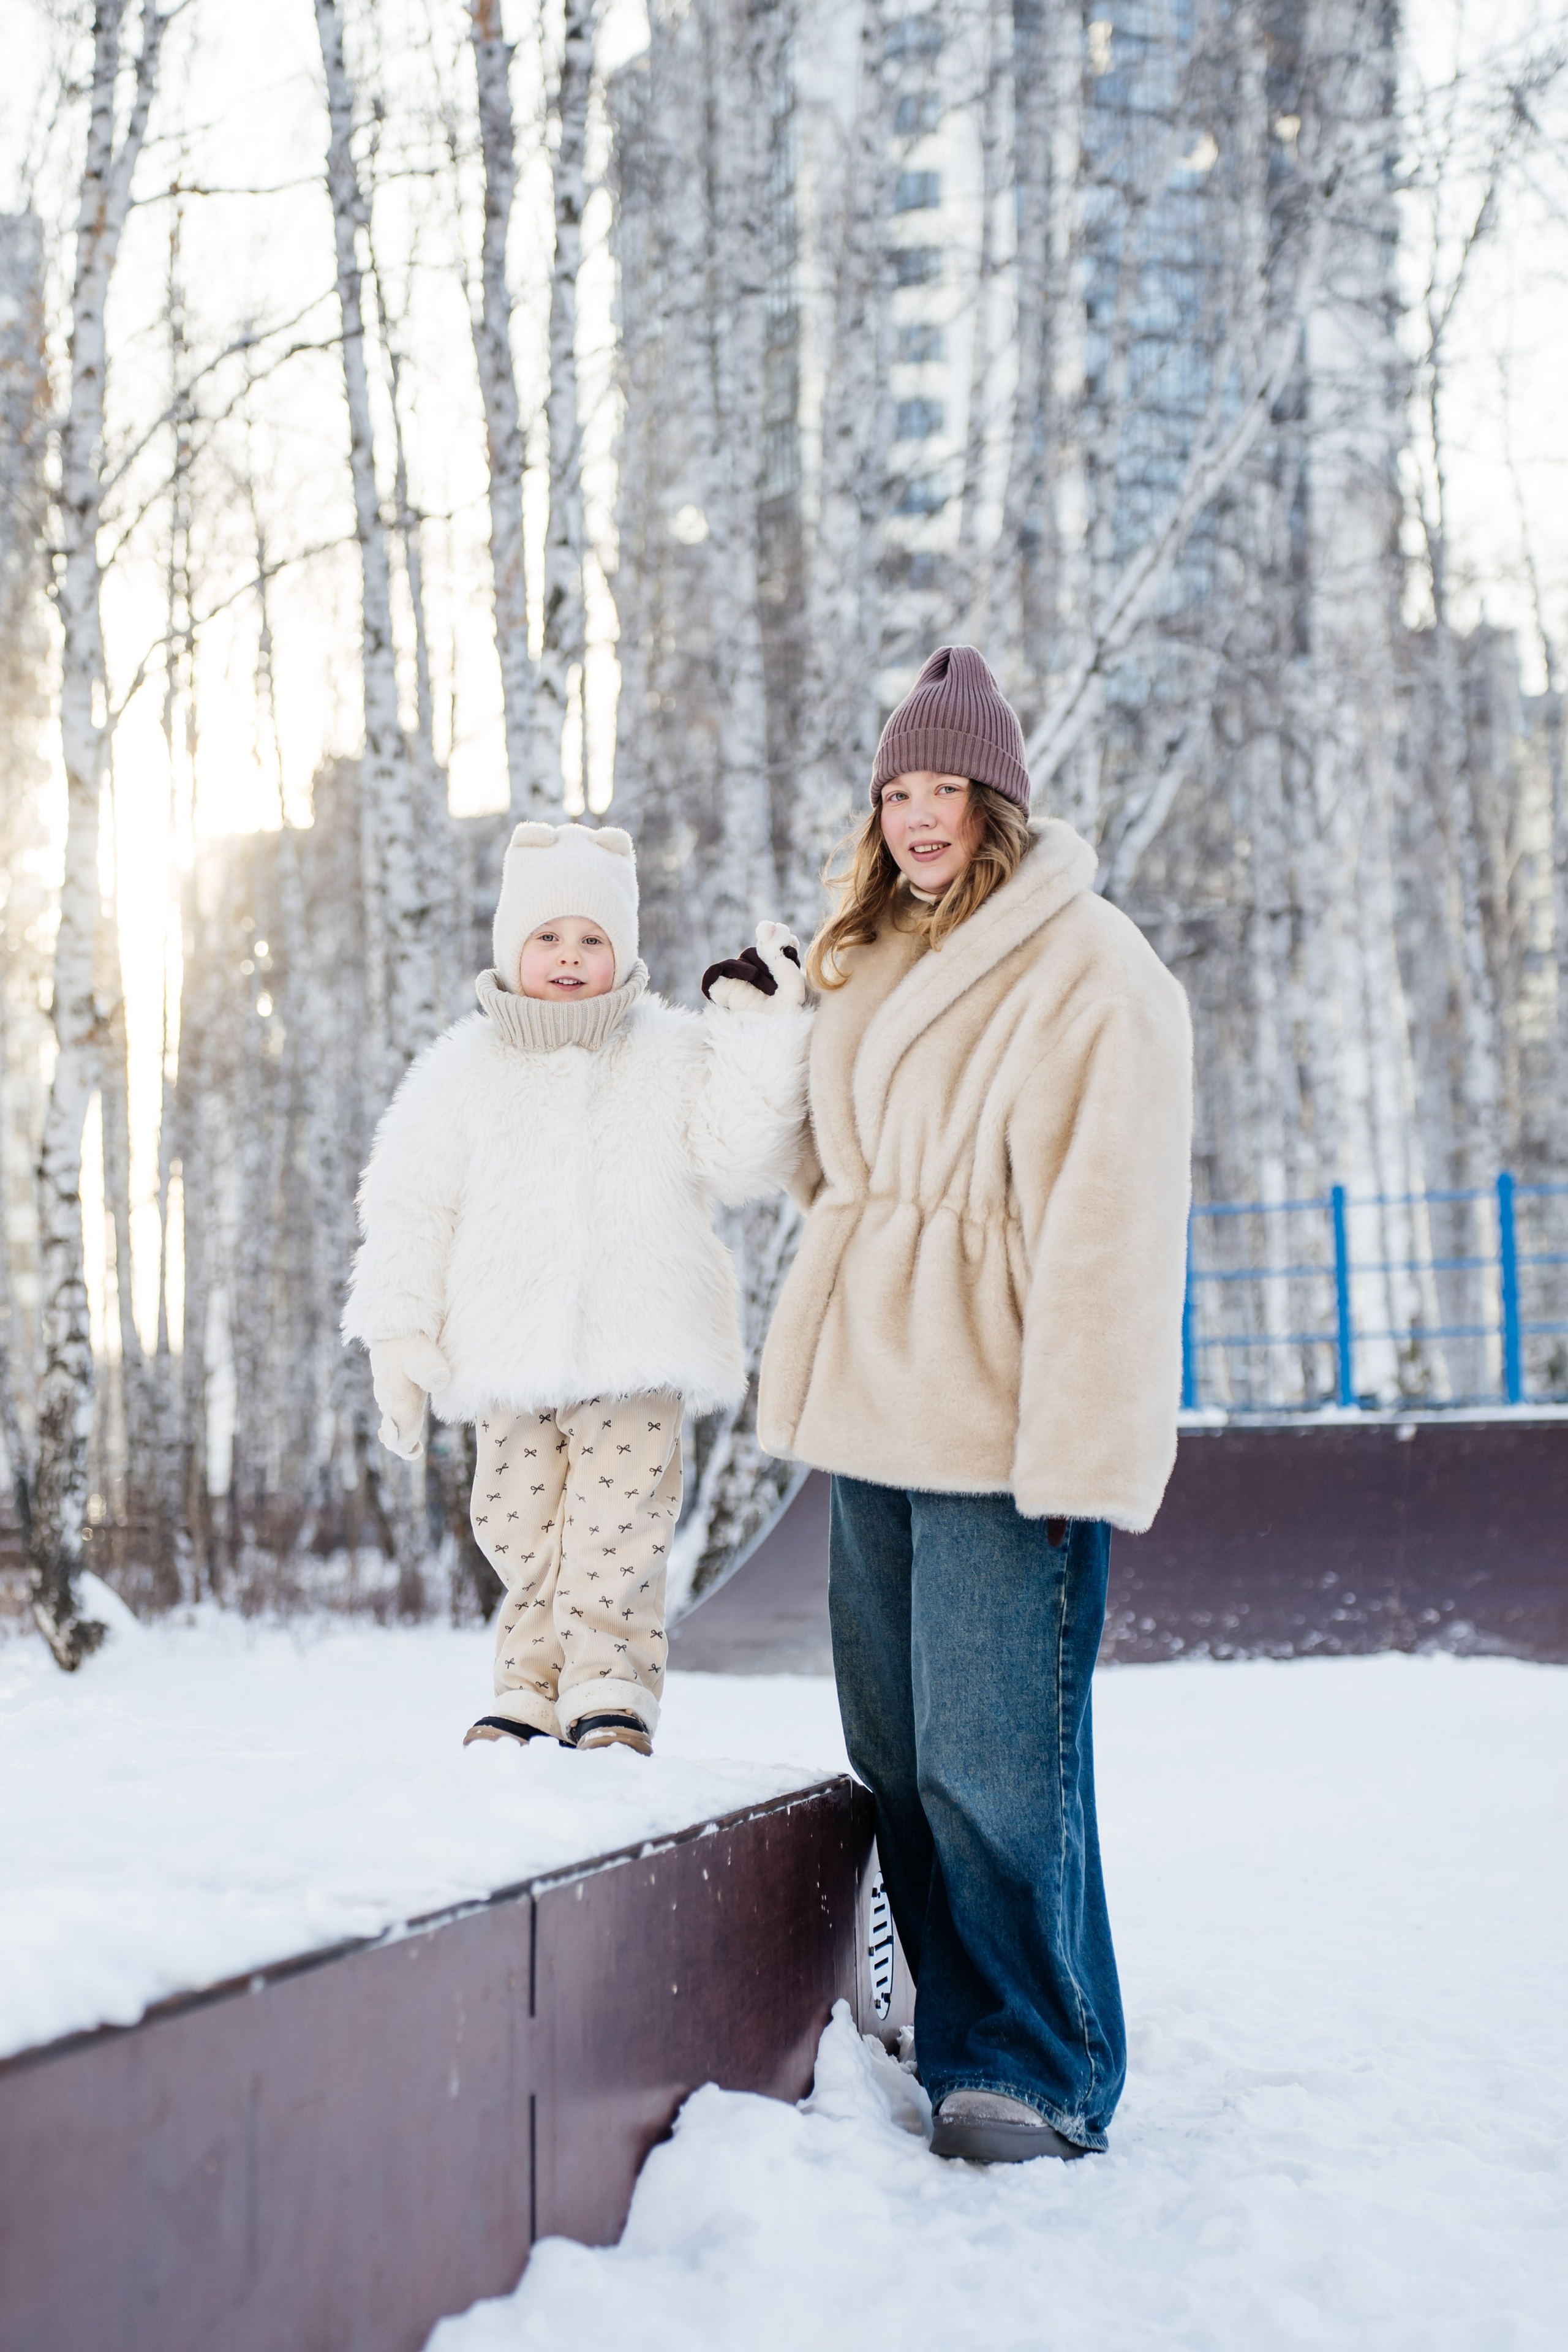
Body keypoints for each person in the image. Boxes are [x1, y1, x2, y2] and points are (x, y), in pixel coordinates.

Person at [758, 645, 1193, 2162]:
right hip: (871, 1402)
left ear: (994, 800)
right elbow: (828, 1178)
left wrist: (1078, 1446)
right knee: (894, 1750)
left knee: (995, 1762)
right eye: (896, 793)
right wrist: (764, 1038)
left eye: (944, 788)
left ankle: (1036, 2067)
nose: (917, 817)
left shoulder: (1091, 967)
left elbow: (1112, 1229)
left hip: (1008, 1420)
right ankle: (955, 2025)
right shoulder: (870, 957)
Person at [343, 820, 808, 1755]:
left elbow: (741, 1153)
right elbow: (408, 1204)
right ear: (510, 947)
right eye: (548, 937)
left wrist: (760, 1034)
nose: (568, 957)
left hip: (639, 1342)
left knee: (618, 1525)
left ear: (622, 951)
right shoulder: (462, 1072)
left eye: (592, 939)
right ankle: (528, 1685)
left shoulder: (670, 1053)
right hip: (505, 1353)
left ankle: (609, 1684)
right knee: (517, 1527)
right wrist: (397, 1330)